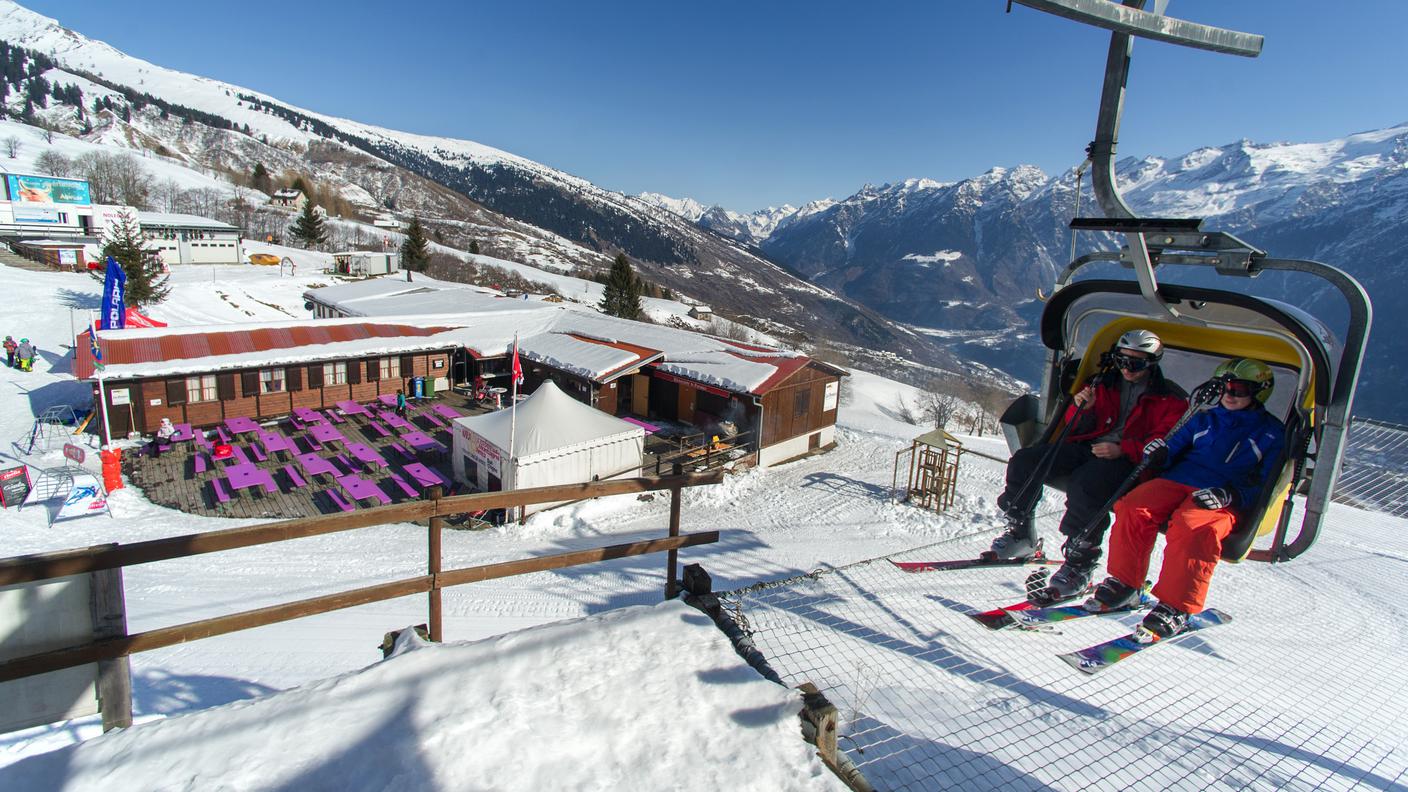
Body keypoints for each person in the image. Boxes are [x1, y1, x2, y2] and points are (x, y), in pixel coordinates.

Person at [1087, 358, 1286, 641]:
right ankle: (1126, 583)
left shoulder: (1270, 433)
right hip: (1178, 479)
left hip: (1220, 492)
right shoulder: (1204, 418)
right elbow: (1173, 447)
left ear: (1258, 392)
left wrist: (1232, 495)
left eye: (1239, 389)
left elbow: (1267, 483)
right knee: (1132, 507)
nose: (1229, 395)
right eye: (1224, 387)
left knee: (1194, 528)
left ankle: (1176, 606)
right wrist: (1158, 451)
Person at [988, 329, 1188, 597]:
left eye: (1136, 363)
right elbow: (1074, 426)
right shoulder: (1103, 383)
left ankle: (1080, 560)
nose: (1127, 368)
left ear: (1152, 363)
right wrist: (1085, 406)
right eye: (1122, 360)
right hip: (1088, 446)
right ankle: (1021, 530)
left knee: (1086, 485)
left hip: (1128, 461)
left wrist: (1122, 449)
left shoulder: (1170, 400)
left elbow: (1163, 441)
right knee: (1026, 461)